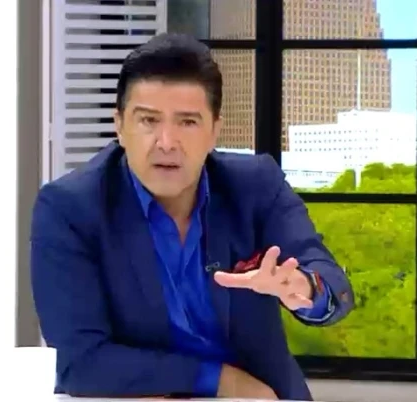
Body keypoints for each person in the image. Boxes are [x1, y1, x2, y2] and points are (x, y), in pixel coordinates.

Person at [30, 33, 354, 400]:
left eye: (187, 122)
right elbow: (80, 363)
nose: (167, 142)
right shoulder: (70, 209)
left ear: (215, 130)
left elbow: (334, 286)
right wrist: (221, 381)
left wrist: (304, 287)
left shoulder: (255, 186)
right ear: (119, 126)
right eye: (148, 120)